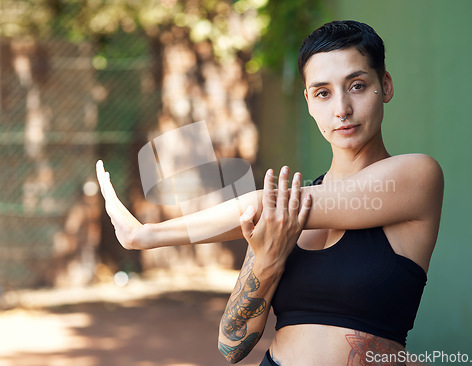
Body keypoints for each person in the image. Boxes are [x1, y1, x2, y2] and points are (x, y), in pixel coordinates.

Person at [97, 20, 444, 366]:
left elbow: (268, 203)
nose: (341, 109)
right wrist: (267, 261)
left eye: (356, 85)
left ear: (384, 86)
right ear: (309, 101)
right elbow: (231, 346)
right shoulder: (282, 219)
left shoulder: (416, 176)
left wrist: (146, 234)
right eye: (323, 92)